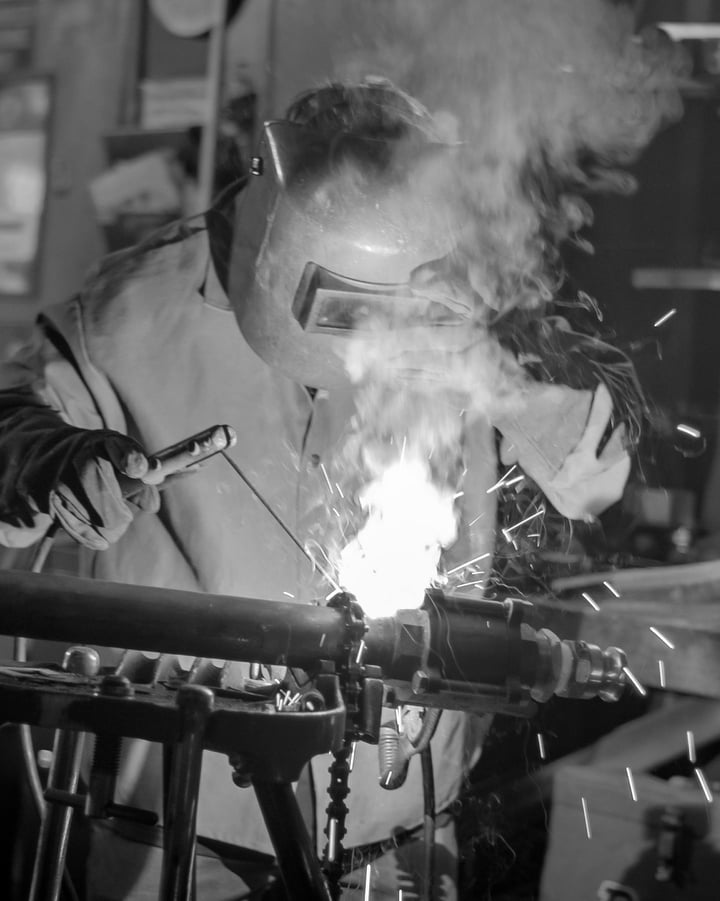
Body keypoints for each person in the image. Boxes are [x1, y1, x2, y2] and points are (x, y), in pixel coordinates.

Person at [0, 80, 632, 900]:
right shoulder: (133, 312)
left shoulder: (459, 289)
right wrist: (49, 457)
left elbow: (597, 478)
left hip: (397, 819)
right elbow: (11, 424)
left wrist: (506, 371)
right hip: (183, 825)